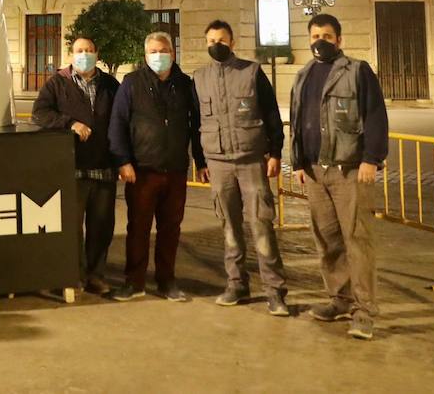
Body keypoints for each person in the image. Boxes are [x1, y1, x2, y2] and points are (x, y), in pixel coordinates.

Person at [290, 13, 389, 341]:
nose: (321, 40)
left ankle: (364, 311)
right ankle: (340, 299)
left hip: (349, 169)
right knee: (328, 238)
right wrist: (300, 163)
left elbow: (375, 115)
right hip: (316, 171)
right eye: (316, 35)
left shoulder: (357, 71)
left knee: (357, 239)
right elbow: (298, 120)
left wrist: (371, 159)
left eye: (328, 36)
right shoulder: (303, 75)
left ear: (339, 40)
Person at [193, 20, 288, 316]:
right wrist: (199, 161)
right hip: (218, 163)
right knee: (229, 227)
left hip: (250, 160)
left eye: (221, 40)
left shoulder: (252, 72)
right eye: (211, 41)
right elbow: (195, 122)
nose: (216, 45)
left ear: (233, 43)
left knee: (261, 225)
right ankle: (236, 284)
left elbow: (271, 113)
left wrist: (275, 152)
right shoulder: (199, 78)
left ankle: (275, 291)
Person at [107, 30, 204, 302]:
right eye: (153, 52)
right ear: (145, 55)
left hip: (174, 171)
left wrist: (201, 160)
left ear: (173, 53)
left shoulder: (186, 85)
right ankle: (133, 282)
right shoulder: (131, 83)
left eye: (163, 51)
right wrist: (123, 161)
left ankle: (167, 281)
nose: (158, 56)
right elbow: (118, 124)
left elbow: (195, 126)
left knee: (170, 229)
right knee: (138, 228)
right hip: (141, 171)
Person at [31, 36, 120, 294]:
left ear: (97, 53)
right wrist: (70, 123)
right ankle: (73, 275)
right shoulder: (57, 84)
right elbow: (41, 112)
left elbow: (122, 119)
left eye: (90, 50)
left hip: (104, 168)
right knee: (71, 227)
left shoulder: (110, 85)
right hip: (73, 167)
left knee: (101, 226)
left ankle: (96, 276)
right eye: (80, 50)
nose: (85, 54)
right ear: (71, 54)